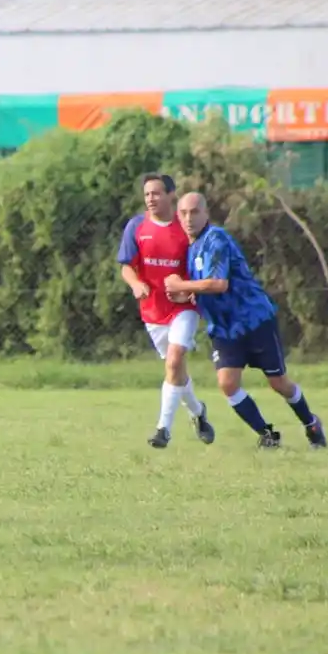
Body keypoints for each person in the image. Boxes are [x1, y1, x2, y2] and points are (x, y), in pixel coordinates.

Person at [165, 192, 326, 449]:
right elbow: (199, 286)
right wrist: (184, 291)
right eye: (183, 213)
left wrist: (180, 284)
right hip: (224, 328)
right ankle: (268, 435)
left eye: (194, 212)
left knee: (279, 383)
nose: (188, 218)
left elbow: (218, 283)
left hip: (254, 320)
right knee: (227, 384)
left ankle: (311, 424)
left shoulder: (215, 239)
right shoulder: (189, 249)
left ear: (205, 214)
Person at [116, 172, 215, 449]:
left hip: (184, 308)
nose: (151, 199)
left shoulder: (186, 228)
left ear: (171, 195)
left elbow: (203, 268)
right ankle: (198, 412)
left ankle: (163, 430)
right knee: (177, 371)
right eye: (147, 194)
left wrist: (189, 288)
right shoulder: (136, 226)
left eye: (156, 193)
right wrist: (136, 283)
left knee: (174, 361)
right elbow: (126, 266)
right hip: (152, 310)